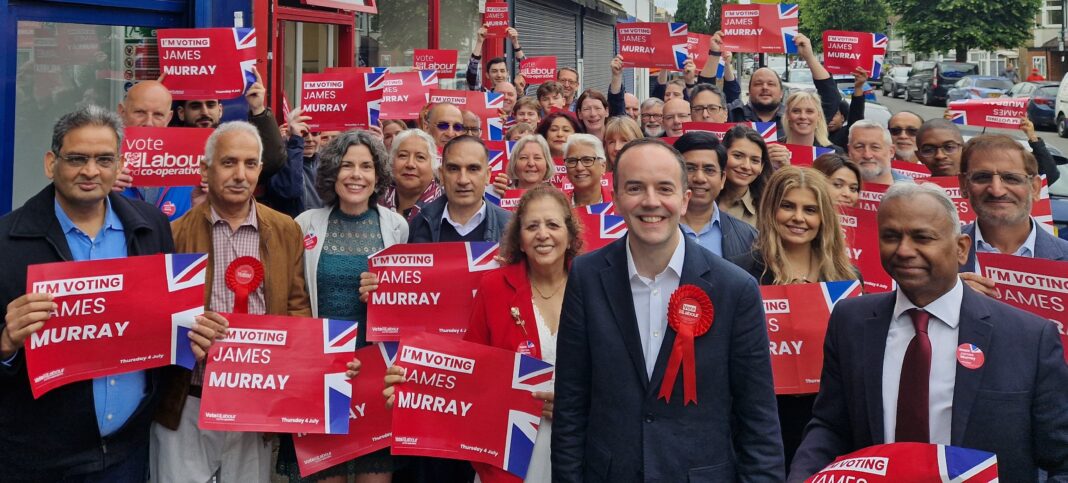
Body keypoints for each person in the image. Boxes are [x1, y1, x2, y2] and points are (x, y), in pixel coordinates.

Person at [0, 105, 225, 482]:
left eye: (104, 159)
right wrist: (5, 343)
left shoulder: (151, 226)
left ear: (119, 164)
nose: (91, 171)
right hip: (38, 459)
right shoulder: (8, 242)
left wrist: (194, 331)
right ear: (50, 163)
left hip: (127, 452)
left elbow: (161, 324)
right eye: (77, 159)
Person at [788, 183, 1068, 481]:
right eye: (891, 237)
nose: (904, 250)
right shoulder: (850, 321)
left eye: (922, 237)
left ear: (961, 248)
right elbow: (831, 425)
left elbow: (1061, 459)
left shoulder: (1028, 337)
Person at [552, 137, 784, 480]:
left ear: (684, 199)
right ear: (614, 199)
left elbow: (758, 417)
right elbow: (571, 404)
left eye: (664, 188)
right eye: (634, 188)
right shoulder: (587, 277)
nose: (650, 202)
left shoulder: (735, 289)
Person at [151, 121, 313, 483]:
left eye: (250, 164)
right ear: (205, 169)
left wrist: (320, 367)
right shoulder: (171, 234)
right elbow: (153, 321)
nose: (240, 175)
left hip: (256, 405)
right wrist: (186, 327)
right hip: (188, 400)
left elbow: (296, 308)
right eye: (228, 163)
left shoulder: (286, 229)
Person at [282, 130, 409, 483]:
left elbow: (410, 302)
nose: (356, 175)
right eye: (347, 165)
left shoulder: (397, 226)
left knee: (375, 476)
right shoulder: (305, 223)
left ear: (378, 176)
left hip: (375, 373)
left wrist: (386, 295)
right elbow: (295, 298)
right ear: (332, 172)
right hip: (323, 371)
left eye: (366, 167)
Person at [729, 166, 858, 467]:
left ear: (823, 216)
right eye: (788, 206)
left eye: (810, 209)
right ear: (771, 209)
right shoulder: (741, 273)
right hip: (759, 421)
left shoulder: (848, 279)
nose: (799, 218)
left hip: (827, 423)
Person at [463, 186, 583, 483]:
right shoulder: (493, 286)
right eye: (532, 226)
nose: (543, 234)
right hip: (510, 446)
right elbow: (471, 368)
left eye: (553, 225)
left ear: (570, 235)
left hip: (580, 442)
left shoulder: (592, 284)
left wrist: (576, 403)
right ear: (519, 238)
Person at [954, 134, 1068, 277]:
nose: (997, 190)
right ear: (964, 184)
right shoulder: (941, 251)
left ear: (1035, 188)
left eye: (1011, 178)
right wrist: (953, 295)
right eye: (982, 177)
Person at [172, 67, 287, 179]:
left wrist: (258, 109)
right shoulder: (169, 145)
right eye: (195, 106)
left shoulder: (234, 143)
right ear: (181, 113)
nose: (204, 112)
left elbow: (272, 162)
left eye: (211, 105)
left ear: (220, 110)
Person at [115, 80, 198, 221]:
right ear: (122, 112)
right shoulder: (101, 161)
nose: (148, 122)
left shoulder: (189, 164)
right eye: (140, 112)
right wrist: (100, 192)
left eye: (158, 115)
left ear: (169, 118)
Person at [726, 34, 841, 133]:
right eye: (758, 83)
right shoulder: (733, 114)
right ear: (749, 92)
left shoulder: (796, 119)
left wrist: (809, 57)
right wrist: (714, 55)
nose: (765, 87)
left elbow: (831, 99)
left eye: (771, 84)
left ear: (781, 93)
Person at [408, 135, 512, 243]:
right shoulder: (420, 223)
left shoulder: (511, 226)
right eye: (453, 169)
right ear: (442, 175)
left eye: (473, 169)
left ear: (487, 175)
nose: (463, 180)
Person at [674, 131, 757, 259]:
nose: (699, 178)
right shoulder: (652, 229)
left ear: (722, 179)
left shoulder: (748, 237)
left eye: (709, 170)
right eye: (690, 168)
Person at [265, 109, 324, 218]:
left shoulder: (326, 163)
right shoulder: (277, 163)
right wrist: (296, 142)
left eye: (315, 133)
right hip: (292, 229)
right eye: (303, 134)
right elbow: (290, 189)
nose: (310, 139)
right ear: (289, 135)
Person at [379, 129, 443, 221]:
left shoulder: (445, 208)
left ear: (433, 165)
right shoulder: (376, 202)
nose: (410, 164)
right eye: (403, 155)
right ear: (392, 161)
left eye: (420, 157)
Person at [718, 125, 773, 227]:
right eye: (737, 156)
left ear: (762, 167)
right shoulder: (701, 198)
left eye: (755, 160)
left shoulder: (768, 209)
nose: (746, 166)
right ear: (722, 155)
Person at [848, 120, 911, 185]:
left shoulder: (913, 191)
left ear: (891, 151)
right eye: (859, 147)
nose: (867, 155)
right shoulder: (837, 190)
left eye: (875, 147)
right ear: (849, 150)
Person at [466, 25, 525, 92]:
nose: (499, 75)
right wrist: (480, 42)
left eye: (502, 71)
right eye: (494, 71)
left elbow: (526, 71)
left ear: (508, 73)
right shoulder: (484, 96)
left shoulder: (517, 93)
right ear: (487, 75)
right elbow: (471, 75)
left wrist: (515, 42)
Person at [563, 134, 612, 207]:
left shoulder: (619, 205)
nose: (579, 168)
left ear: (603, 166)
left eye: (587, 160)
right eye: (572, 161)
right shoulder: (558, 206)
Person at [827, 67, 868, 149]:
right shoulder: (812, 135)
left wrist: (858, 87)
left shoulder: (847, 134)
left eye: (835, 114)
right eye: (827, 114)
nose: (830, 118)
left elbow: (856, 115)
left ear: (842, 118)